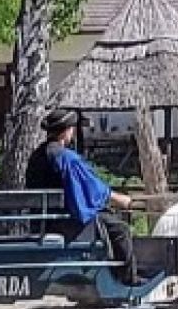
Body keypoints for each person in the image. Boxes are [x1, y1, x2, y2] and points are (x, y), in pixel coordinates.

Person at [25, 108, 141, 284]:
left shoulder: (37, 155)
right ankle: (127, 280)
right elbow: (92, 189)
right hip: (65, 221)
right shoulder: (66, 158)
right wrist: (119, 199)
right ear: (66, 131)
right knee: (120, 228)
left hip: (43, 220)